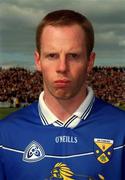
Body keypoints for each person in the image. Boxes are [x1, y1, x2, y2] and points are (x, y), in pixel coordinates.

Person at [0, 9, 125, 180]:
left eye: (73, 56)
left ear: (90, 62)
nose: (62, 67)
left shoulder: (121, 130)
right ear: (38, 61)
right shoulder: (5, 135)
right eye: (52, 56)